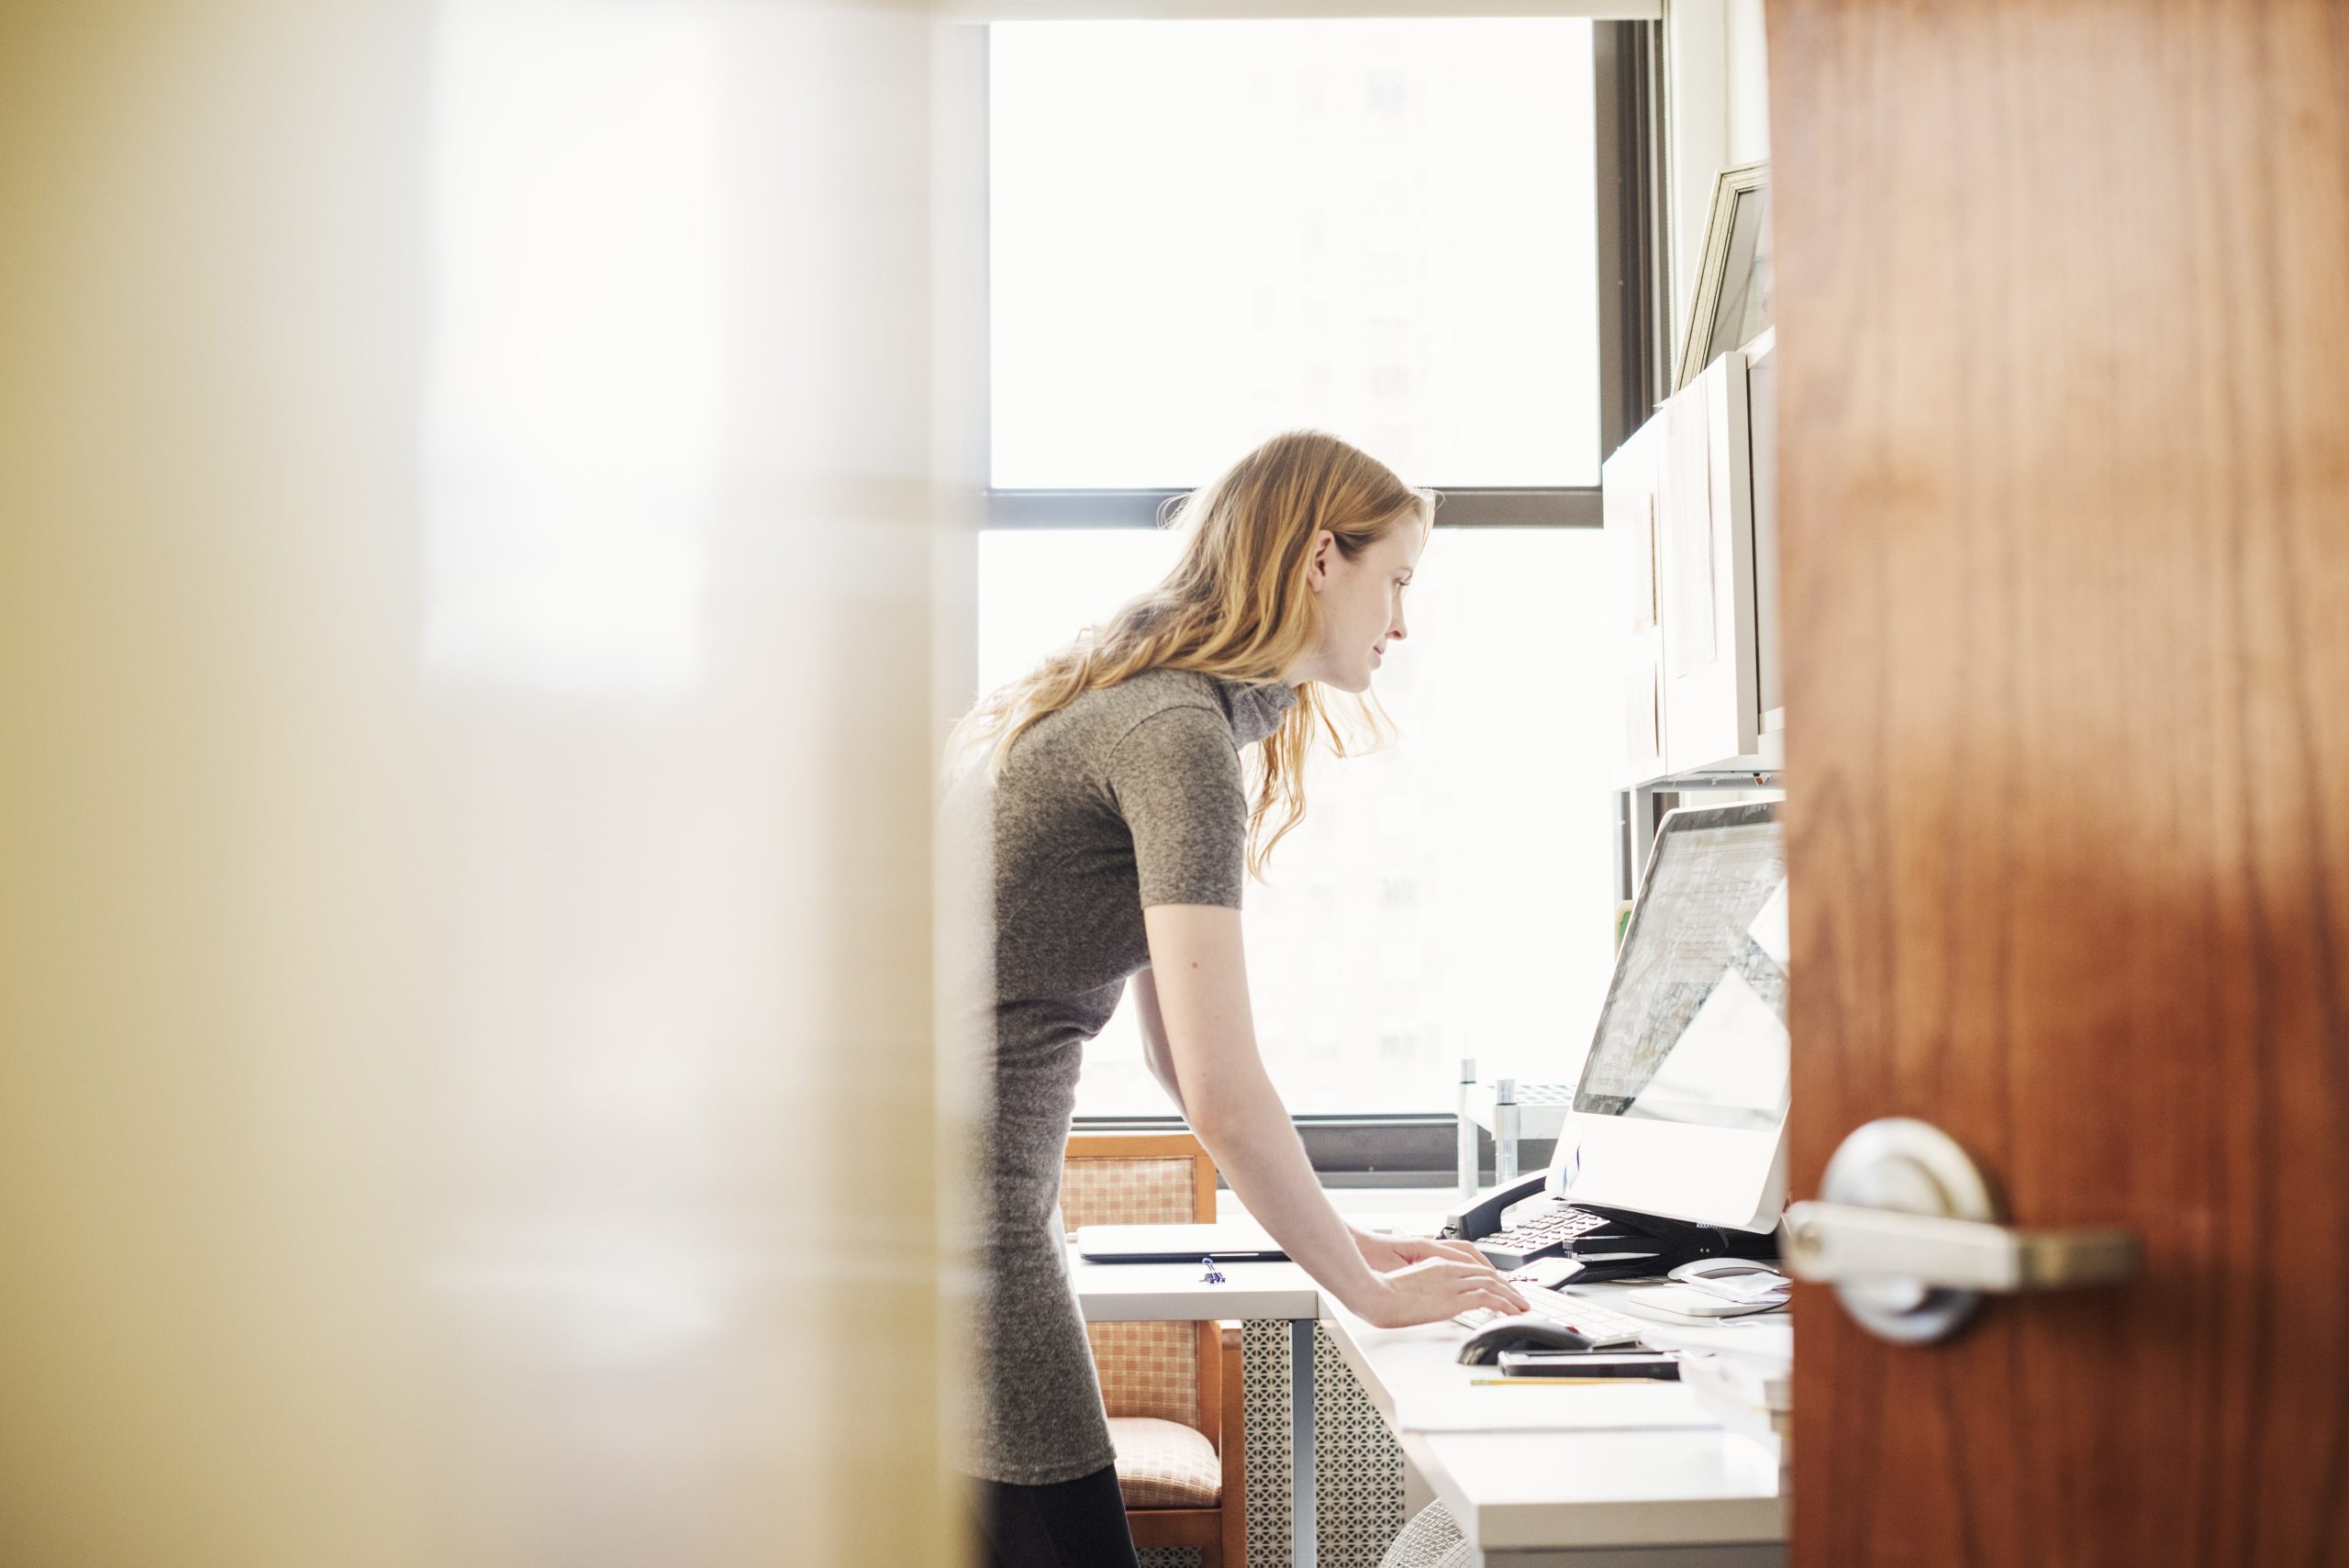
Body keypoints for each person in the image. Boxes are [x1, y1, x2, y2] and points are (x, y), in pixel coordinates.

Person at [949, 430, 1528, 1567]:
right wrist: (1362, 1286)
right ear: (1322, 558)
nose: (1400, 624)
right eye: (1395, 580)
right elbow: (1219, 1085)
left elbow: (1176, 1063)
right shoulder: (1175, 733)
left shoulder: (1150, 708)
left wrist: (1354, 1240)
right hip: (965, 1228)